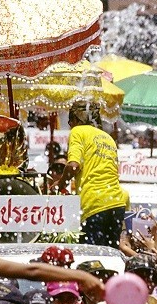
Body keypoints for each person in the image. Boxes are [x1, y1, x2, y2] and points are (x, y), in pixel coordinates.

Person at [55, 101, 128, 247]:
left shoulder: (78, 131)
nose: (69, 125)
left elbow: (74, 166)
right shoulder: (108, 138)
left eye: (70, 121)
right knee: (110, 257)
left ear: (76, 119)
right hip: (117, 204)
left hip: (94, 204)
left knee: (91, 261)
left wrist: (61, 183)